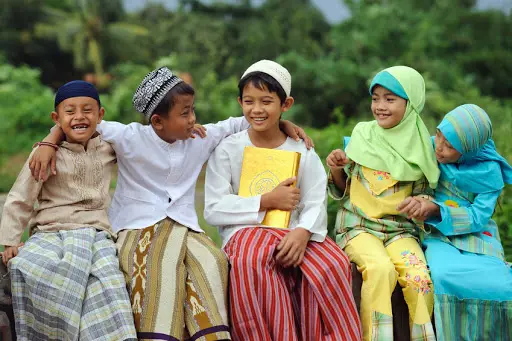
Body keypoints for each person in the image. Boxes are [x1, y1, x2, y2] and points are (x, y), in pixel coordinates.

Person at [30, 67, 311, 341]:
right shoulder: (130, 137)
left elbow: (240, 122)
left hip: (185, 226)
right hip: (136, 225)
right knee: (158, 267)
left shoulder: (199, 138)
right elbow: (82, 122)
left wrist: (283, 124)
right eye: (185, 113)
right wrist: (49, 142)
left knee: (213, 261)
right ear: (157, 121)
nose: (193, 119)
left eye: (192, 110)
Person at [204, 60, 361, 341]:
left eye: (267, 101)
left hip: (297, 229)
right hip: (246, 232)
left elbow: (315, 200)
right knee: (253, 262)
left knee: (332, 264)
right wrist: (265, 200)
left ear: (285, 104)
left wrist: (302, 233)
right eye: (249, 101)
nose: (257, 109)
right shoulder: (228, 149)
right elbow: (214, 208)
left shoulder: (302, 149)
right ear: (240, 102)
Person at [0, 81, 137, 341]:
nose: (79, 117)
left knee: (108, 285)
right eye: (70, 111)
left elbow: (145, 145)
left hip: (96, 234)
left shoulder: (110, 148)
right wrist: (10, 241)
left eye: (87, 110)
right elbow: (20, 197)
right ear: (56, 117)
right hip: (50, 232)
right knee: (31, 268)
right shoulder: (45, 155)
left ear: (100, 115)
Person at [326, 66, 439, 340]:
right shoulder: (363, 135)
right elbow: (343, 189)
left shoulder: (424, 147)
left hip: (400, 231)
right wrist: (337, 168)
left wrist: (420, 204)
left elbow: (425, 194)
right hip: (358, 226)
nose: (380, 106)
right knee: (379, 270)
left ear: (410, 103)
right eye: (375, 98)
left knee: (419, 278)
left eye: (390, 99)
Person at [399, 104, 512, 341]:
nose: (439, 146)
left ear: (470, 150)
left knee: (501, 286)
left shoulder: (488, 170)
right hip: (438, 233)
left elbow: (479, 217)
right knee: (444, 274)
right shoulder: (427, 147)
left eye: (450, 146)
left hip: (478, 236)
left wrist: (436, 210)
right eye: (439, 134)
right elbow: (386, 146)